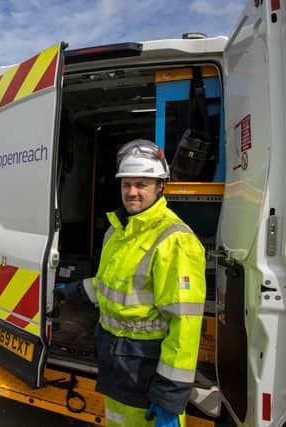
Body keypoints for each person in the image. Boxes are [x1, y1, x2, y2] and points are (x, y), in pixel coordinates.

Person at [56, 139, 206, 427]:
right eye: (126, 184)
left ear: (160, 186)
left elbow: (184, 326)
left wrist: (170, 396)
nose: (132, 192)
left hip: (147, 370)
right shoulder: (116, 231)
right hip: (115, 363)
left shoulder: (175, 240)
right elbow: (110, 286)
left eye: (142, 184)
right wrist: (74, 291)